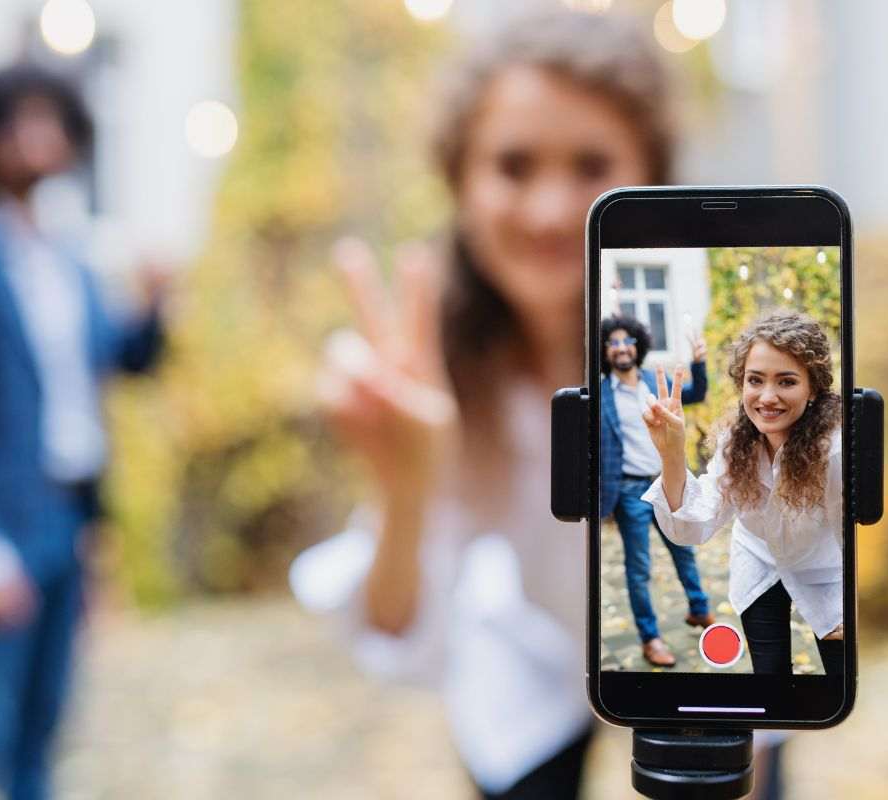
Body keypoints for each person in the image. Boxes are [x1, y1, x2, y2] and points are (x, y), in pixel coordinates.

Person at [290, 10, 673, 798]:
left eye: (591, 164)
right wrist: (405, 489)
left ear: (648, 176)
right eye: (512, 166)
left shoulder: (696, 351)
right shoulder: (441, 362)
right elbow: (399, 629)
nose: (550, 209)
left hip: (681, 652)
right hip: (527, 661)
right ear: (459, 181)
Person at [0, 64, 166, 800]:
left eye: (48, 119)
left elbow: (121, 361)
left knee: (42, 726)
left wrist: (157, 309)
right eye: (15, 121)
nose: (35, 136)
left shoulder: (73, 264)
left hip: (68, 518)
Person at [640, 309, 844, 676]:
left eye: (786, 381)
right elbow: (693, 526)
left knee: (841, 677)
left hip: (825, 571)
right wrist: (672, 453)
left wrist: (851, 604)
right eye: (755, 380)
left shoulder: (835, 450)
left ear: (813, 387)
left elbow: (854, 536)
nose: (767, 397)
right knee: (769, 676)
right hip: (759, 560)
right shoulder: (736, 443)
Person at [599, 315, 713, 667]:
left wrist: (699, 362)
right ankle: (651, 638)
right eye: (613, 342)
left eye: (627, 340)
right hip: (629, 491)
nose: (621, 347)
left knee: (684, 549)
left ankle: (699, 609)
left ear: (638, 345)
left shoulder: (653, 382)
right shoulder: (599, 394)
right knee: (639, 568)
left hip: (664, 482)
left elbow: (696, 393)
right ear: (605, 350)